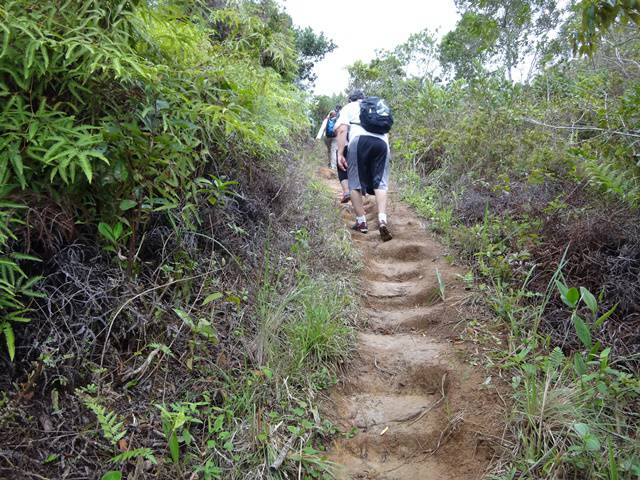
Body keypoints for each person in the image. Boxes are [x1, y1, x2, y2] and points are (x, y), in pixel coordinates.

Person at [335, 89, 392, 241]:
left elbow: (341, 130)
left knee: (355, 182)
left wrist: (340, 153)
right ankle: (382, 219)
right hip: (382, 143)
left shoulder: (349, 107)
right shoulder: (376, 107)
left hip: (359, 141)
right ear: (364, 99)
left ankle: (361, 222)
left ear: (350, 99)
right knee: (380, 183)